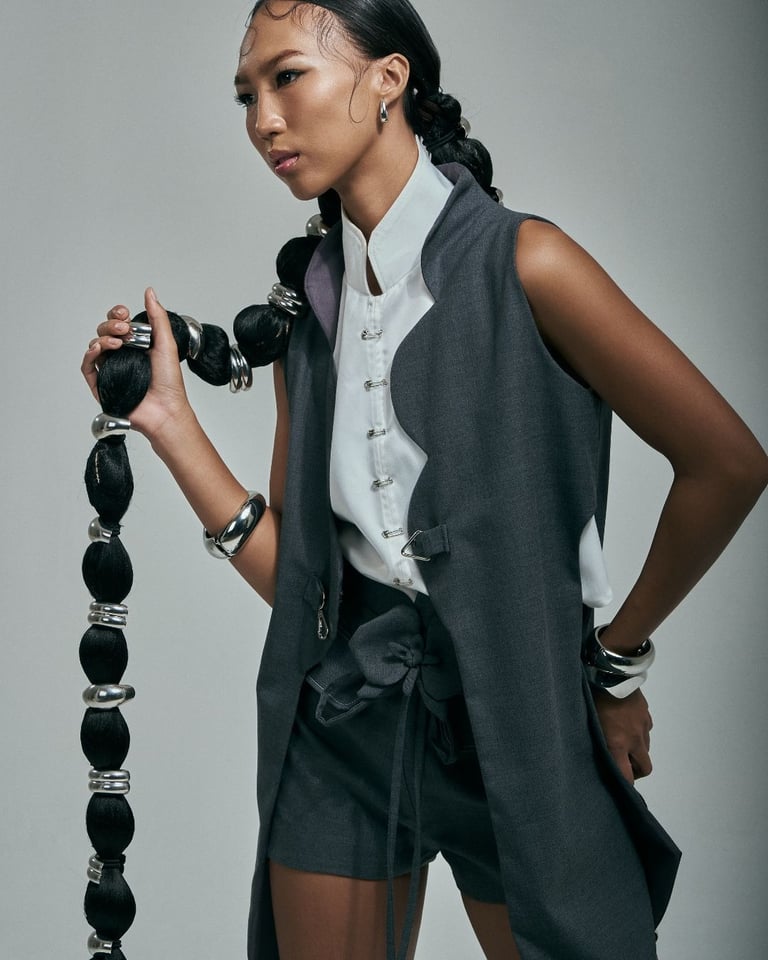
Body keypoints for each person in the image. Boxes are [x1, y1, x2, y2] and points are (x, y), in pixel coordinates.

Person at [81, 1, 768, 958]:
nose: (261, 120)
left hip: (518, 722)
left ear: (388, 80)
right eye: (246, 94)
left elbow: (728, 464)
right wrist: (170, 425)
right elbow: (303, 591)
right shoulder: (307, 315)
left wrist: (615, 661)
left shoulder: (528, 263)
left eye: (288, 78)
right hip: (342, 728)